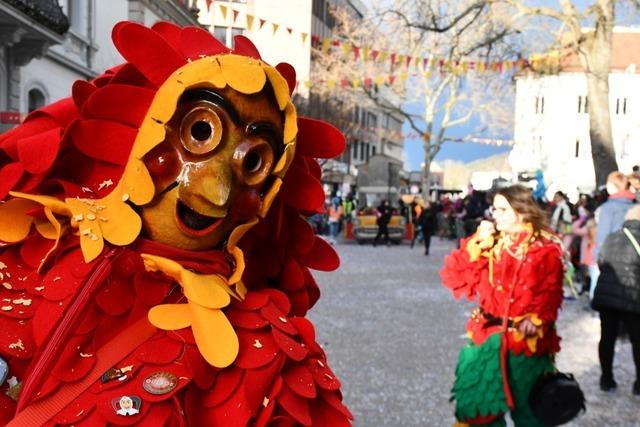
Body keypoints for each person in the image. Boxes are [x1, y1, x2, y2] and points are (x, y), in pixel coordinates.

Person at [440, 185, 565, 427]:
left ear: (522, 211)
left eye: (502, 209)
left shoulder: (546, 249)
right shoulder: (492, 244)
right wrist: (476, 244)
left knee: (530, 412)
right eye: (494, 208)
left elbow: (550, 291)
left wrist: (536, 317)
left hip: (523, 343)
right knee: (476, 407)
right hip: (486, 337)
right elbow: (455, 278)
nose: (494, 214)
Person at [591, 205, 640, 395]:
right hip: (632, 297)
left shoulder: (612, 236)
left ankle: (606, 379)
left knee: (607, 338)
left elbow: (602, 261)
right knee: (638, 340)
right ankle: (638, 383)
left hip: (607, 296)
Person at [592, 172, 635, 300]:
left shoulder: (608, 208)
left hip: (611, 257)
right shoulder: (635, 206)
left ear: (612, 185)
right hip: (632, 258)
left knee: (610, 300)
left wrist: (597, 258)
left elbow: (602, 237)